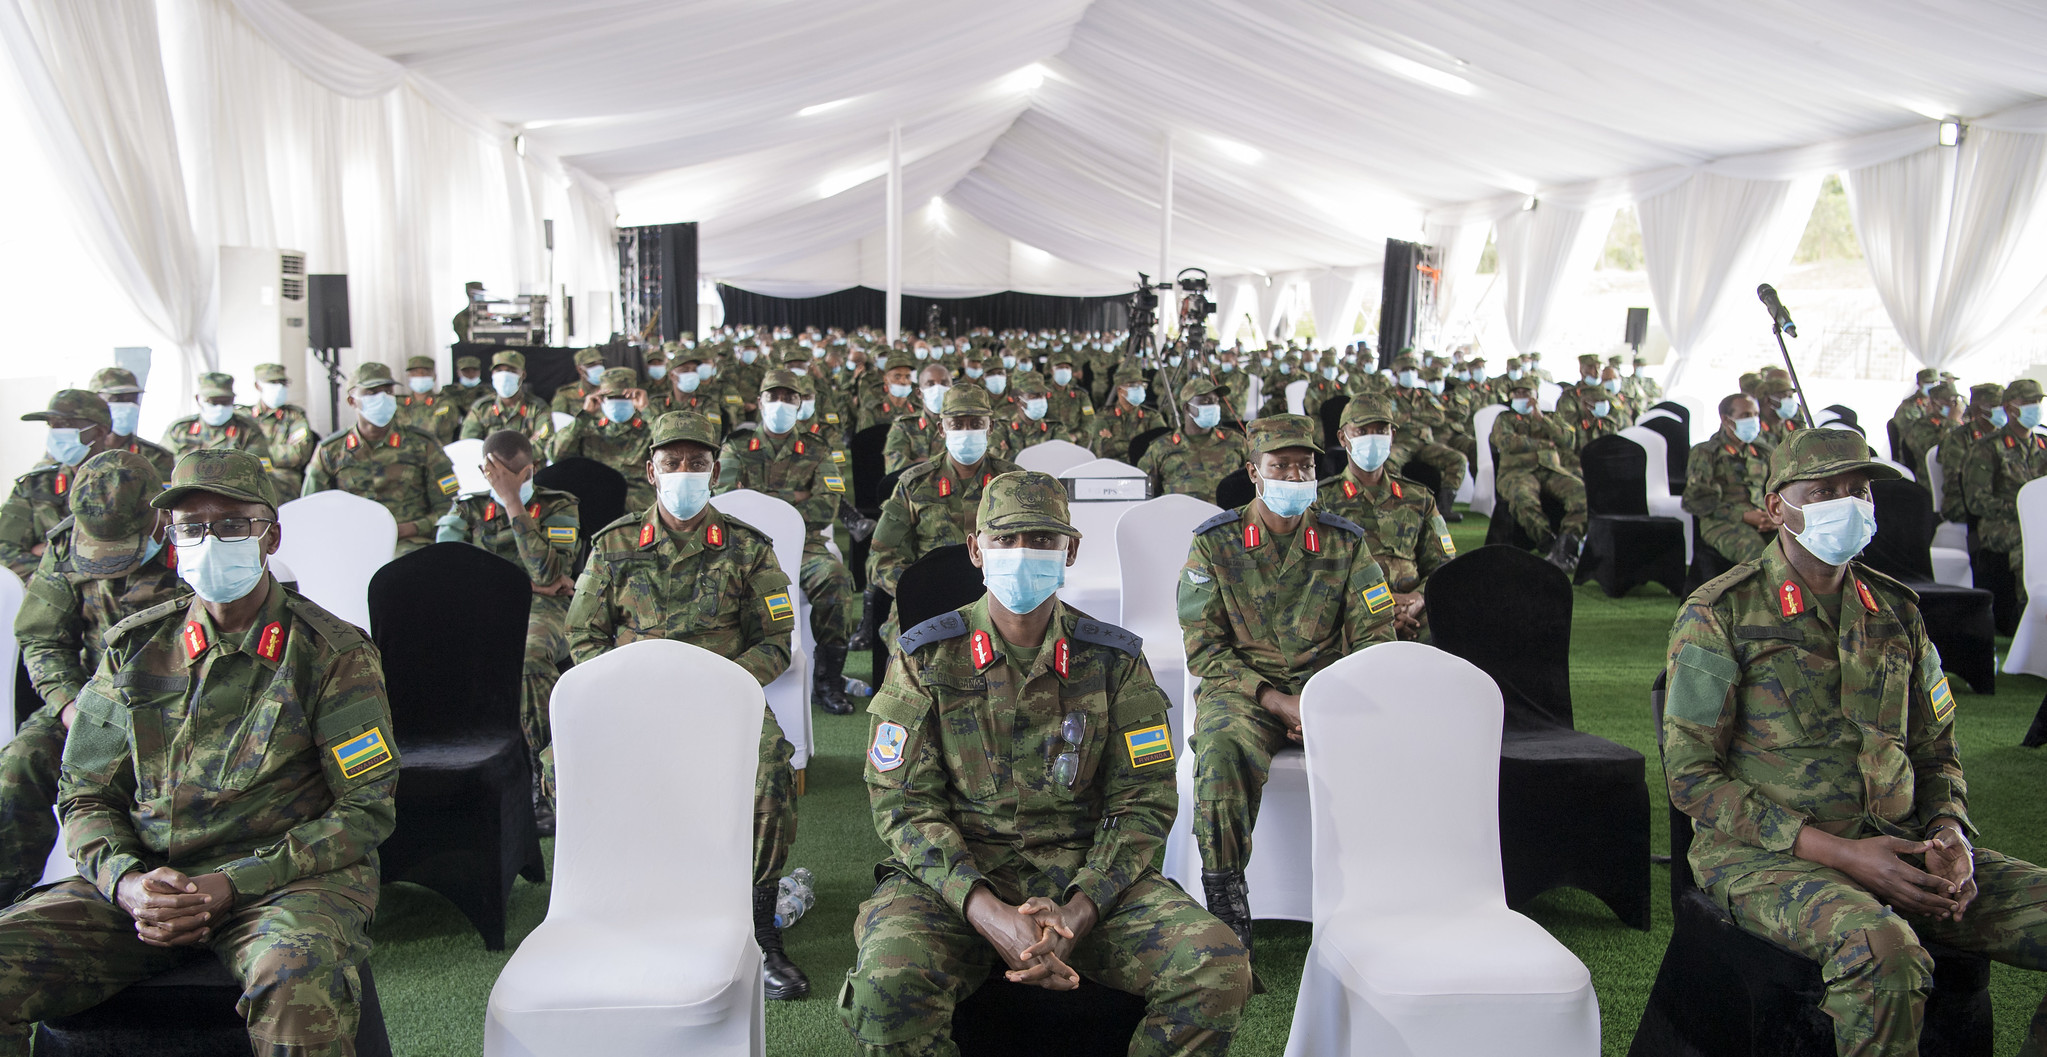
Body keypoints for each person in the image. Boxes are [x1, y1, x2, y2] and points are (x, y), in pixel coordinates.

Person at [1663, 428, 2047, 1057]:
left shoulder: (1896, 611)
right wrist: (1846, 855)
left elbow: (1935, 748)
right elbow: (1692, 779)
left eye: (1859, 490)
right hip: (1769, 858)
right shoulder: (1720, 613)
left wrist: (1950, 831)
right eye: (1824, 491)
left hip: (1906, 849)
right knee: (1886, 957)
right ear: (1777, 505)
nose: (1848, 503)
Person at [0, 448, 397, 1055]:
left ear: (270, 535)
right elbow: (85, 794)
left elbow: (367, 808)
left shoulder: (331, 654)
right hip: (148, 884)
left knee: (295, 976)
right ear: (171, 538)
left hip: (282, 883)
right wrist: (126, 881)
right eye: (193, 527)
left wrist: (234, 883)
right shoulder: (135, 649)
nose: (211, 541)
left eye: (233, 524)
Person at [841, 471, 1251, 1055]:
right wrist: (988, 912)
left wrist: (1078, 912)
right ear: (977, 550)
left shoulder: (1114, 661)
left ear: (1071, 551)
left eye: (1041, 540)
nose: (1022, 555)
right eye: (1005, 541)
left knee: (1217, 966)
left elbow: (1143, 801)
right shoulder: (924, 657)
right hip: (955, 883)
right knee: (886, 985)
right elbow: (905, 805)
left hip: (1085, 876)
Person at [566, 410, 811, 1001]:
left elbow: (778, 639)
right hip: (632, 703)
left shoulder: (749, 549)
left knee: (771, 771)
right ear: (651, 470)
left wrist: (721, 685)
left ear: (714, 470)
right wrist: (624, 692)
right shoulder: (615, 545)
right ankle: (612, 912)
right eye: (672, 462)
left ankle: (758, 927)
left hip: (723, 702)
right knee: (565, 769)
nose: (684, 472)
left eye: (696, 463)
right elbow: (583, 637)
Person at [1179, 414, 1396, 977]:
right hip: (1244, 694)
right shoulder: (1216, 544)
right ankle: (1229, 916)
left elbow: (1377, 636)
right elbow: (1204, 650)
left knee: (1391, 743)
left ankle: (1377, 905)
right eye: (1281, 465)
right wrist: (1275, 700)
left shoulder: (1345, 543)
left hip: (1328, 692)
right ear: (1255, 472)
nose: (1296, 475)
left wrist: (1329, 701)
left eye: (1305, 465)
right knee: (1221, 752)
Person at [0, 450, 184, 905]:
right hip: (92, 701)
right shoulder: (65, 547)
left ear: (159, 516)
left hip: (185, 705)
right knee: (19, 763)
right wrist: (66, 705)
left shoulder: (200, 544)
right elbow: (42, 637)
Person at [435, 429, 581, 825]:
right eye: (494, 475)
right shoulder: (466, 509)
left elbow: (551, 571)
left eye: (511, 475)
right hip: (481, 604)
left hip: (544, 608)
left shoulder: (558, 505)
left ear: (530, 470)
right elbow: (447, 570)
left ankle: (544, 773)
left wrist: (514, 502)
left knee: (529, 656)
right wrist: (525, 580)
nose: (499, 482)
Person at [716, 369, 859, 715]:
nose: (780, 404)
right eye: (773, 397)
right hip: (745, 548)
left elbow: (826, 507)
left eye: (789, 398)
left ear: (800, 403)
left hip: (803, 547)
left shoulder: (816, 449)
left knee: (836, 579)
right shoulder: (737, 447)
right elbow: (725, 502)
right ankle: (722, 675)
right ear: (760, 402)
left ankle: (828, 680)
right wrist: (794, 495)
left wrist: (760, 497)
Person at [867, 388, 1021, 635]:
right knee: (907, 652)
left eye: (976, 423)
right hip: (928, 598)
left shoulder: (1013, 483)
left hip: (1000, 598)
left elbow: (1029, 549)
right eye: (957, 424)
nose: (966, 432)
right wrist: (917, 588)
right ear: (941, 428)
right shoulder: (914, 484)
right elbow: (881, 557)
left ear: (990, 427)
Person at [1318, 395, 1455, 639]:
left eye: (1380, 430)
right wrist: (1379, 609)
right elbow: (1315, 574)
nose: (1372, 438)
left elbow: (1444, 565)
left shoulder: (1418, 497)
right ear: (1343, 438)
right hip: (1348, 612)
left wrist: (1417, 598)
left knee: (1452, 634)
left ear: (1392, 436)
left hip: (1414, 609)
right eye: (1362, 430)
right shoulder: (1321, 501)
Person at [302, 362, 459, 557]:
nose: (383, 398)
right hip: (350, 544)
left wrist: (413, 528)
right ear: (352, 401)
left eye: (388, 391)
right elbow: (311, 510)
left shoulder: (422, 444)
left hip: (409, 543)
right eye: (372, 392)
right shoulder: (331, 451)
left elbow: (451, 506)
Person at [0, 391, 128, 580]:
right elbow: (4, 552)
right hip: (50, 596)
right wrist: (67, 571)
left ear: (100, 431)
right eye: (52, 425)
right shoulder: (33, 486)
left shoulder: (130, 482)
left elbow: (135, 552)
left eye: (65, 425)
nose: (55, 431)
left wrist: (48, 555)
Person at [1493, 380, 1588, 571]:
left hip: (1551, 470)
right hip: (1516, 473)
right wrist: (1544, 444)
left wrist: (1541, 419)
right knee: (1523, 500)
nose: (1521, 397)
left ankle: (1567, 544)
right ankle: (1549, 543)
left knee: (1582, 493)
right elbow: (1507, 442)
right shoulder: (1505, 419)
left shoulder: (1551, 417)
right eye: (1517, 393)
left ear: (1536, 396)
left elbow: (1567, 440)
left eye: (1526, 393)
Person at [1962, 378, 2047, 586]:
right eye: (2029, 402)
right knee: (2030, 541)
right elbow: (1976, 501)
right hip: (2001, 525)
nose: (2035, 406)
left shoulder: (2043, 446)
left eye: (2038, 401)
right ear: (2010, 408)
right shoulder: (1987, 448)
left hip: (2038, 520)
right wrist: (2019, 510)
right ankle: (2027, 606)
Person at [1684, 393, 1777, 564]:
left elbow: (1778, 490)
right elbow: (1698, 501)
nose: (1753, 420)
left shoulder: (1764, 451)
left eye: (1756, 414)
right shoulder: (1706, 452)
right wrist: (1743, 516)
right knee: (1758, 557)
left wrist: (1775, 517)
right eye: (1746, 415)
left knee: (1796, 550)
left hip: (1764, 518)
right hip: (1721, 521)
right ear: (1726, 420)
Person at [551, 367, 654, 511]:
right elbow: (556, 455)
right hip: (595, 501)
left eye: (624, 397)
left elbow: (669, 446)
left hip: (638, 504)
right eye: (612, 398)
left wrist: (647, 411)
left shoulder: (648, 427)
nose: (618, 402)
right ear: (601, 398)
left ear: (634, 397)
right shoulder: (588, 427)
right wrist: (584, 416)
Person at [1136, 379, 1250, 503]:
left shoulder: (1236, 441)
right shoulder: (1161, 447)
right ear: (1186, 407)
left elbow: (1254, 481)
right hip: (1181, 517)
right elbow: (1142, 491)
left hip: (1227, 518)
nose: (1214, 406)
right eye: (1205, 401)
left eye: (1216, 401)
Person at [1388, 356, 1468, 517]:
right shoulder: (1388, 396)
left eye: (1413, 370)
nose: (1410, 373)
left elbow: (1439, 417)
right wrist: (1420, 416)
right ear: (1396, 373)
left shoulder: (1423, 394)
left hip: (1425, 443)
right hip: (1402, 442)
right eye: (1405, 370)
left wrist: (1409, 416)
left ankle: (1444, 507)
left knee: (1458, 459)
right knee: (1388, 462)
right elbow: (1391, 417)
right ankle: (1394, 505)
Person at [161, 372, 275, 473]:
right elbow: (162, 468)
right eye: (213, 401)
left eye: (226, 402)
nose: (220, 407)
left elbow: (258, 473)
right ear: (198, 399)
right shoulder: (179, 430)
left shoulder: (248, 431)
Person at [243, 363, 317, 499]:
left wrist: (254, 455)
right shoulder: (244, 416)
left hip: (283, 481)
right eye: (273, 382)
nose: (279, 387)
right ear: (258, 386)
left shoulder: (294, 416)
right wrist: (277, 451)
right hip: (247, 476)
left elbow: (299, 453)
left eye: (282, 383)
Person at [87, 367, 176, 480]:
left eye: (132, 399)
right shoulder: (79, 452)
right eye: (116, 399)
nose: (127, 406)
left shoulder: (156, 456)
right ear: (94, 401)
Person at [461, 350, 557, 450]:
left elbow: (544, 445)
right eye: (499, 371)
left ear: (523, 375)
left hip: (528, 466)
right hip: (490, 465)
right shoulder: (481, 408)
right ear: (492, 374)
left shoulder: (537, 408)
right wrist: (525, 447)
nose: (504, 375)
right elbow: (469, 445)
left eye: (511, 371)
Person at [883, 364, 954, 474]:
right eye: (930, 384)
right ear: (919, 393)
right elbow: (895, 470)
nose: (937, 389)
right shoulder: (904, 426)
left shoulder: (966, 425)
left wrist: (919, 466)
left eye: (944, 383)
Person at [395, 355, 462, 444]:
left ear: (434, 376)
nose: (420, 376)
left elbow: (434, 428)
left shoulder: (444, 403)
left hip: (435, 454)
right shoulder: (399, 403)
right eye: (415, 373)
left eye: (425, 373)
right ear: (409, 376)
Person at [859, 356, 920, 433]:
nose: (903, 381)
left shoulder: (918, 411)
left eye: (908, 377)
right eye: (897, 377)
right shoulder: (873, 411)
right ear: (886, 380)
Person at [551, 348, 608, 415]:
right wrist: (585, 415)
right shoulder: (566, 395)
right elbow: (558, 424)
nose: (598, 368)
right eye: (591, 364)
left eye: (600, 363)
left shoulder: (610, 391)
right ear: (579, 369)